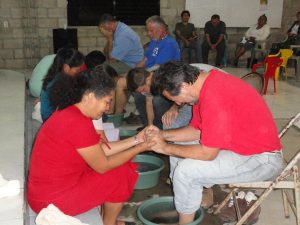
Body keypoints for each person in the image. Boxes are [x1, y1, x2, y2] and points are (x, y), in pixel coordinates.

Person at [146, 61, 284, 225]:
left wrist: (165, 147)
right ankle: (184, 209)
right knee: (179, 149)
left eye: (175, 98)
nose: (178, 103)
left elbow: (207, 153)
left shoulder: (214, 97)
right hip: (243, 147)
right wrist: (162, 135)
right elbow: (196, 130)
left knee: (186, 171)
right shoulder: (205, 85)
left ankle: (184, 220)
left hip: (261, 160)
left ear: (183, 86)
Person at [27, 68, 151, 225]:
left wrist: (137, 139)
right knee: (121, 172)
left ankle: (108, 218)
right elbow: (103, 165)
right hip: (51, 201)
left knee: (121, 163)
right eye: (107, 102)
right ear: (90, 97)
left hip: (46, 193)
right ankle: (109, 222)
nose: (108, 108)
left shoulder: (71, 112)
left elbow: (100, 150)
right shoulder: (77, 122)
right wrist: (140, 148)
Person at [115, 15, 179, 129]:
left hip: (162, 79)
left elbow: (159, 67)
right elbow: (144, 60)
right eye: (148, 30)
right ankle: (147, 126)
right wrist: (132, 74)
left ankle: (160, 127)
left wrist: (141, 75)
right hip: (148, 75)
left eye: (151, 30)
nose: (149, 33)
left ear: (161, 29)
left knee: (157, 101)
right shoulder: (155, 41)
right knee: (137, 92)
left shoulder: (169, 43)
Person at [40, 48, 84, 122]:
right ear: (66, 67)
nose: (79, 72)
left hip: (54, 117)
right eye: (77, 70)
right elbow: (62, 111)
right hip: (52, 121)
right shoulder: (58, 84)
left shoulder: (60, 77)